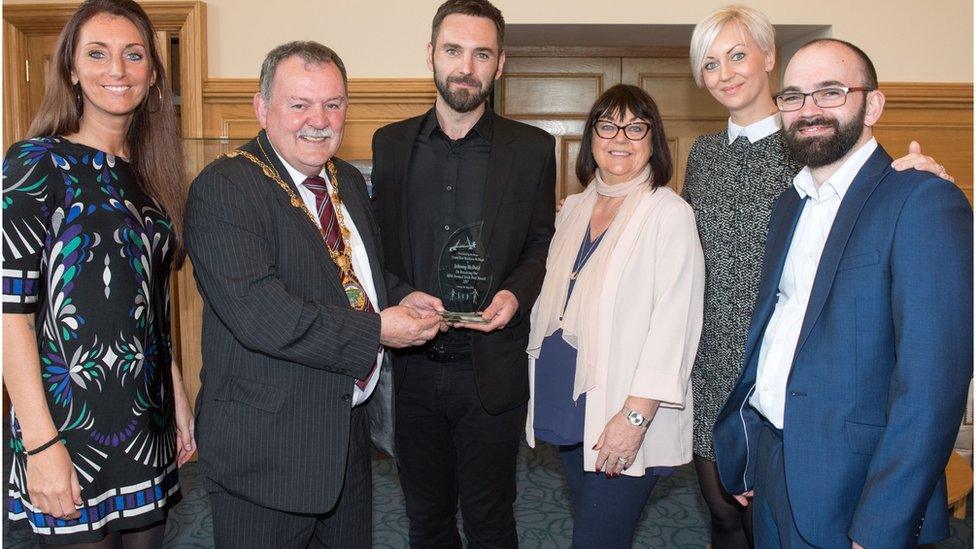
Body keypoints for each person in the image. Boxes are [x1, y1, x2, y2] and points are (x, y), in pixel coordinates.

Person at [682, 7, 957, 548]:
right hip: (736, 383)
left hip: (834, 416)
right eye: (710, 63)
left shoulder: (853, 170)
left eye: (738, 55)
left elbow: (931, 382)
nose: (726, 72)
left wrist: (932, 177)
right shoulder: (725, 165)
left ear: (768, 59)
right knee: (726, 518)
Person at [184, 41, 442, 548]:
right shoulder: (225, 188)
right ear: (262, 108)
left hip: (343, 436)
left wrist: (402, 296)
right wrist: (380, 329)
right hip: (265, 452)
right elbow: (261, 314)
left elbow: (357, 276)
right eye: (298, 104)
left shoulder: (344, 177)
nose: (317, 120)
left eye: (333, 104)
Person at [2, 0, 195, 546]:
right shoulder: (35, 163)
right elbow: (8, 313)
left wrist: (176, 392)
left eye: (134, 55)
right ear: (71, 69)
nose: (117, 70)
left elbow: (151, 307)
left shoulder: (152, 178)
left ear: (153, 74)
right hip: (66, 431)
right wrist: (40, 447)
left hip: (144, 428)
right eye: (98, 53)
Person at [371, 0, 556, 545]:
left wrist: (516, 296)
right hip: (413, 365)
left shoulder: (533, 149)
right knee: (425, 519)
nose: (465, 66)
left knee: (490, 519)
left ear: (500, 65)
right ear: (431, 54)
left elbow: (540, 242)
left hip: (491, 368)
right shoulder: (389, 143)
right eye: (453, 50)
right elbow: (375, 244)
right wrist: (402, 295)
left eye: (481, 54)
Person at [525, 84, 705, 549]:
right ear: (591, 138)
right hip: (568, 404)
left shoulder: (669, 214)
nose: (619, 136)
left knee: (597, 540)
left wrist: (635, 419)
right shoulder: (575, 208)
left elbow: (675, 325)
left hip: (621, 412)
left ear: (653, 140)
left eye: (635, 126)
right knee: (597, 532)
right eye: (607, 125)